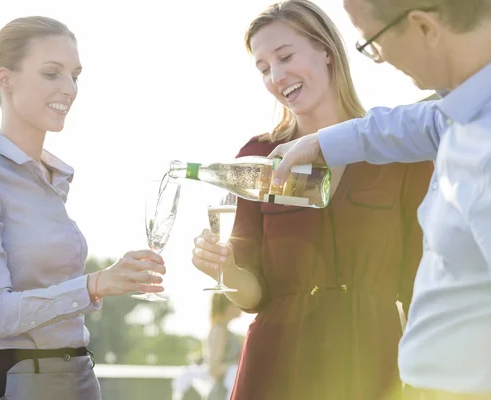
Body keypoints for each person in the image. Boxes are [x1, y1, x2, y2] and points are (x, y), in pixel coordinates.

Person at [191, 1, 433, 399]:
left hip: (371, 362)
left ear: (326, 50)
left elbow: (419, 283)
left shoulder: (397, 148)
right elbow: (253, 294)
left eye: (285, 56)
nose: (276, 76)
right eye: (263, 67)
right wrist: (225, 270)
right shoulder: (258, 157)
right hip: (275, 365)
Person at [268, 0, 491, 398]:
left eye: (373, 41)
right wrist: (323, 142)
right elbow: (415, 124)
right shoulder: (465, 112)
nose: (379, 58)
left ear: (424, 27)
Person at [0, 16, 166, 400]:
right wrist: (95, 283)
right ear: (6, 78)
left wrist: (109, 280)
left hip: (79, 378)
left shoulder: (52, 178)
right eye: (52, 73)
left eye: (75, 75)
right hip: (14, 383)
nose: (69, 88)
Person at [206, 294, 242, 400]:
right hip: (221, 395)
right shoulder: (219, 331)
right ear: (229, 306)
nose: (241, 306)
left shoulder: (225, 330)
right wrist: (240, 365)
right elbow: (214, 369)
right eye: (237, 302)